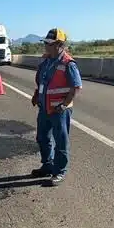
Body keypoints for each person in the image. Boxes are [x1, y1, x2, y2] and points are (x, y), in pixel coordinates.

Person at [31, 28, 82, 186]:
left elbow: (76, 87)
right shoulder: (47, 61)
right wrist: (36, 95)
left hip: (59, 110)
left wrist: (64, 105)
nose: (46, 45)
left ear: (60, 44)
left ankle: (59, 171)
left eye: (49, 43)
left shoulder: (68, 64)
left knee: (61, 141)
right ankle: (48, 165)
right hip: (44, 108)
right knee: (42, 137)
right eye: (45, 42)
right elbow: (43, 82)